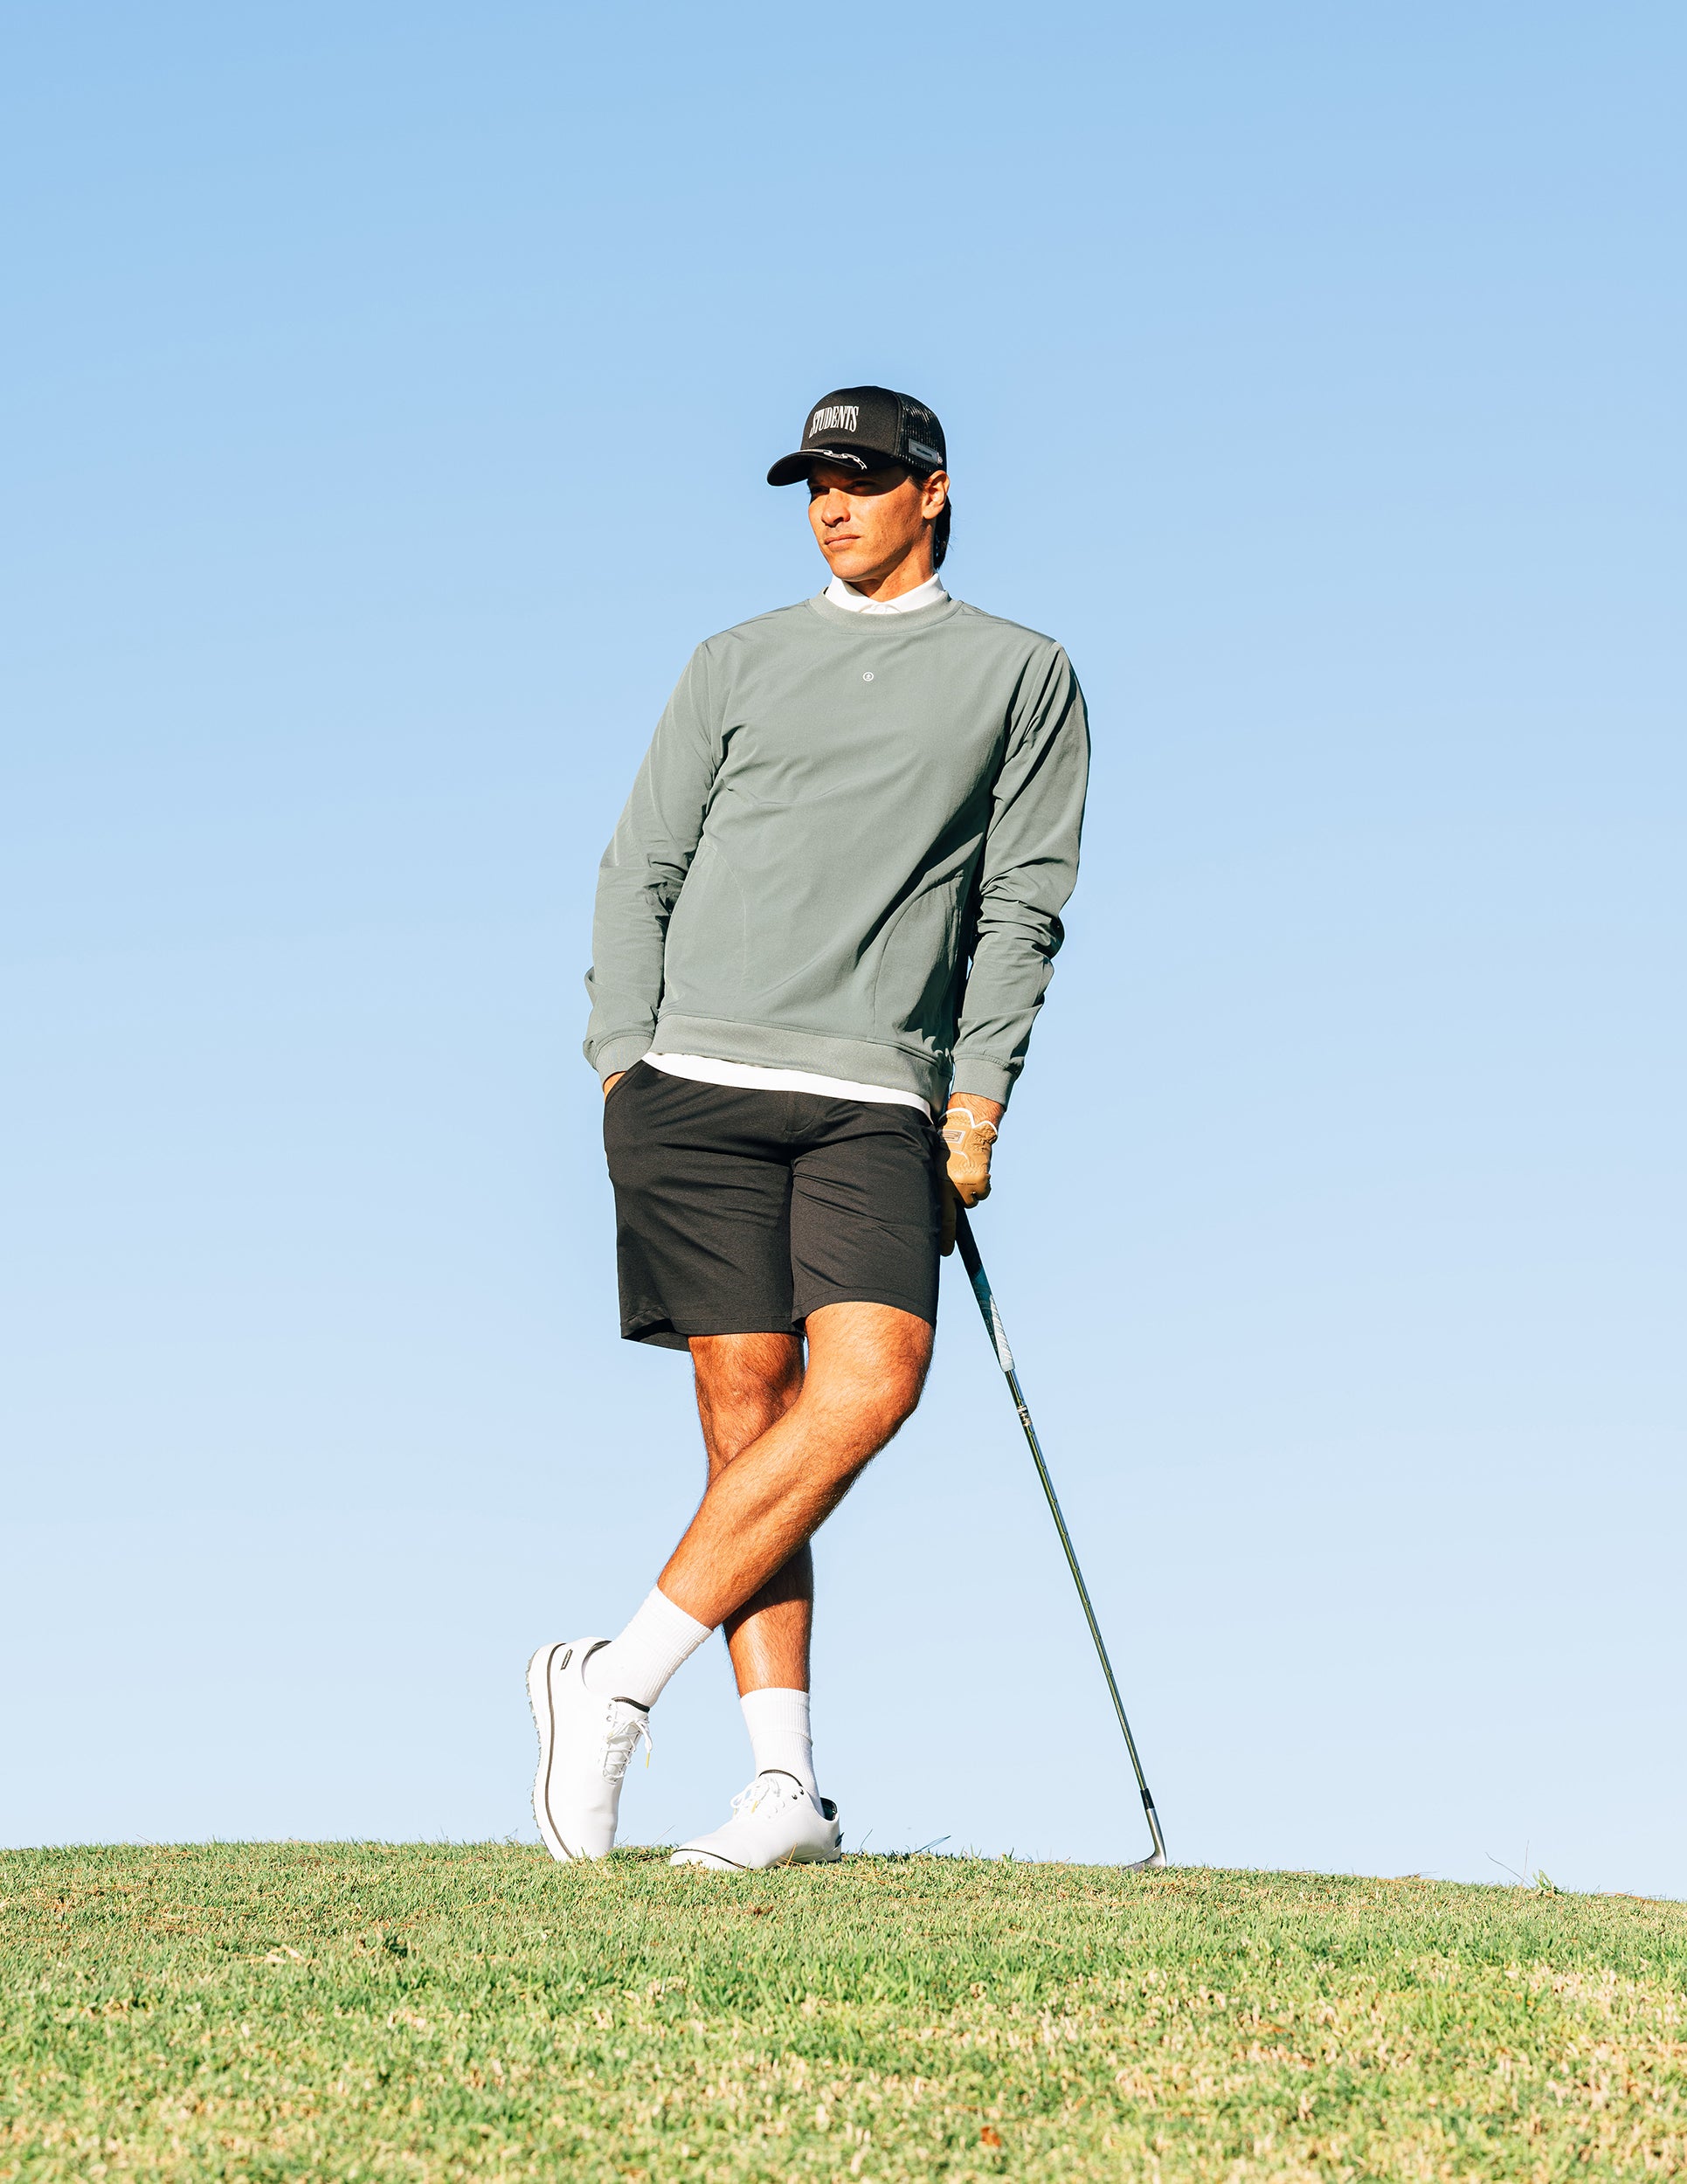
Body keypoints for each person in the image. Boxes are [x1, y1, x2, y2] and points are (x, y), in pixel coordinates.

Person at [529, 384, 1089, 1870]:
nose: (832, 505)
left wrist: (979, 1097)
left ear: (933, 492)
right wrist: (618, 1061)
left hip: (877, 1094)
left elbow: (1022, 903)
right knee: (749, 1421)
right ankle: (785, 1786)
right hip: (691, 1085)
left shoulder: (1023, 674)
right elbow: (640, 868)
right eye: (813, 483)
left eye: (861, 478)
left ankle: (613, 1679)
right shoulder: (736, 659)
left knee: (871, 1385)